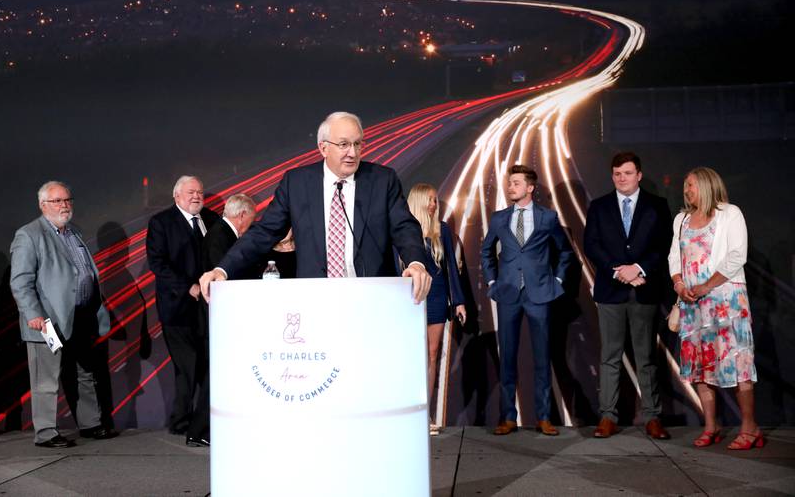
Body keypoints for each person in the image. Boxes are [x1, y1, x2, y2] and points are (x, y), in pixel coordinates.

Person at [199, 111, 431, 303]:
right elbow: (264, 232)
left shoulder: (382, 180)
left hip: (373, 299)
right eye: (343, 144)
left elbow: (404, 227)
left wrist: (416, 263)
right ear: (323, 148)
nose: (353, 152)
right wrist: (223, 270)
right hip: (315, 301)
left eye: (357, 144)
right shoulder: (296, 183)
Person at [10, 181, 117, 447]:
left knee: (84, 373)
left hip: (80, 317)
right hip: (46, 321)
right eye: (57, 201)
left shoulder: (73, 233)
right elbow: (20, 281)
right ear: (42, 205)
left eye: (67, 200)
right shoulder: (29, 235)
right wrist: (33, 314)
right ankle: (46, 433)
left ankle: (91, 424)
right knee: (46, 380)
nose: (64, 205)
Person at [668, 167, 762, 449]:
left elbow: (737, 255)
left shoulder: (729, 213)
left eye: (692, 185)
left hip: (725, 301)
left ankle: (749, 426)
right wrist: (678, 283)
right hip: (692, 303)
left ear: (708, 186)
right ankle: (711, 426)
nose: (687, 190)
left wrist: (707, 285)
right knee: (699, 366)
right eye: (685, 186)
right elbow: (675, 255)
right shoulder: (682, 219)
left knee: (737, 363)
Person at [583, 152, 672, 440]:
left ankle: (652, 417)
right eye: (618, 174)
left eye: (628, 173)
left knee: (646, 357)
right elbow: (591, 245)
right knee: (610, 356)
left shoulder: (657, 206)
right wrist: (617, 271)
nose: (623, 178)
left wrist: (639, 268)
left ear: (639, 175)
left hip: (644, 290)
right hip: (611, 292)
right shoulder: (599, 206)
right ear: (612, 176)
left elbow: (664, 245)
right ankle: (608, 416)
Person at [481, 165, 573, 436]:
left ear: (530, 188)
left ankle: (543, 417)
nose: (511, 187)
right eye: (509, 183)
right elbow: (486, 251)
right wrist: (492, 282)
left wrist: (556, 281)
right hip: (508, 293)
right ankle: (508, 417)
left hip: (540, 294)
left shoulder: (547, 218)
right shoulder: (499, 218)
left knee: (542, 357)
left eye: (516, 183)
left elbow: (565, 252)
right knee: (507, 357)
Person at [146, 175, 219, 437]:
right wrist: (188, 286)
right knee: (187, 367)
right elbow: (158, 264)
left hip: (208, 308)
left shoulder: (211, 219)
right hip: (177, 309)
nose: (196, 196)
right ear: (176, 196)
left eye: (200, 191)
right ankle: (182, 422)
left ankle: (204, 420)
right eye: (190, 192)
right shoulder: (161, 223)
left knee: (206, 367)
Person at [186, 194, 257, 447]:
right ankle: (200, 430)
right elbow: (223, 277)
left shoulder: (221, 234)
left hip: (221, 318)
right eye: (252, 218)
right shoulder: (219, 236)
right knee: (214, 378)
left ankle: (203, 429)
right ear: (241, 216)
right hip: (215, 319)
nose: (252, 224)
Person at [405, 183, 466, 436]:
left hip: (438, 296)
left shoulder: (441, 230)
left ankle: (425, 414)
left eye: (435, 200)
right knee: (411, 358)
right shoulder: (404, 231)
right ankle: (408, 411)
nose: (433, 204)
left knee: (431, 355)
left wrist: (459, 300)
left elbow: (451, 267)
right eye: (429, 200)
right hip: (410, 298)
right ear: (418, 201)